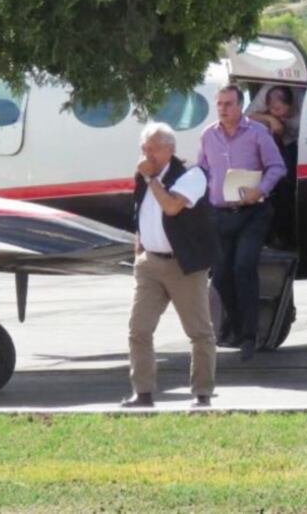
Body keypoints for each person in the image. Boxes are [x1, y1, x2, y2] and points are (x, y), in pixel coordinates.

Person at [123, 123, 221, 408]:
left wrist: (152, 177)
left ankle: (202, 394)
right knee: (139, 329)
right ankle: (142, 393)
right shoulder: (144, 176)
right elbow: (140, 210)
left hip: (184, 265)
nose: (147, 154)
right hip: (150, 263)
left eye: (152, 148)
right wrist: (139, 247)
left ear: (170, 149)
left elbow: (171, 206)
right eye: (144, 148)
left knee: (199, 332)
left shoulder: (192, 175)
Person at [198, 84, 285, 362]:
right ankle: (235, 325)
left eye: (229, 104)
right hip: (220, 215)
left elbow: (277, 166)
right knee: (221, 276)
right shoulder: (208, 136)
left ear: (240, 105)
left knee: (244, 267)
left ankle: (250, 335)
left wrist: (260, 190)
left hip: (252, 213)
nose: (223, 109)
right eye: (220, 104)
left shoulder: (257, 133)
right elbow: (202, 170)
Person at [245, 85, 300, 247]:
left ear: (289, 105)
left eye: (278, 109)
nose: (274, 111)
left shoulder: (302, 106)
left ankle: (285, 235)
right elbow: (247, 116)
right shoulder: (266, 94)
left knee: (287, 187)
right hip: (274, 143)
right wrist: (271, 119)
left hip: (294, 144)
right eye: (270, 109)